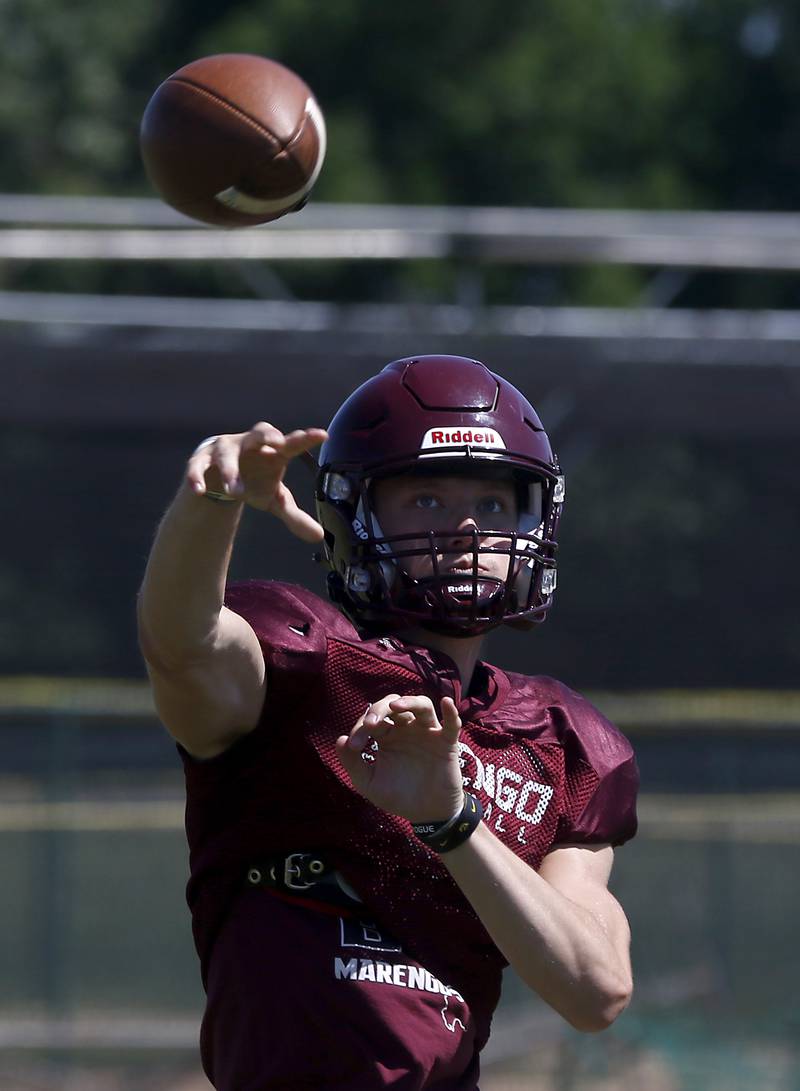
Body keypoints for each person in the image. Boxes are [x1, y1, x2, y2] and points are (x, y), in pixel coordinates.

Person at [137, 354, 638, 1091]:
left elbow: (595, 988)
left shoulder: (561, 742)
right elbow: (184, 645)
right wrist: (208, 508)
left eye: (494, 505)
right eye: (427, 500)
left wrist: (452, 823)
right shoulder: (302, 664)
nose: (468, 528)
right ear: (355, 516)